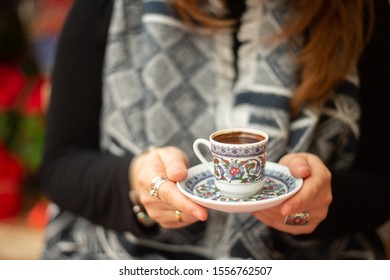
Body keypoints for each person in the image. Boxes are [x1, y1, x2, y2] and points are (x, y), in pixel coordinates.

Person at [38, 0, 390, 260]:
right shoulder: (109, 9)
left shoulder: (361, 14)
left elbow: (381, 183)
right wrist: (134, 187)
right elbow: (60, 164)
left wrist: (324, 205)